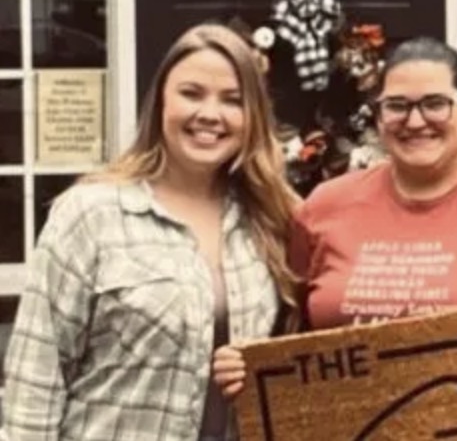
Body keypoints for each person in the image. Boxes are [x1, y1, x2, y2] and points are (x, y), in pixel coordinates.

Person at [213, 36, 457, 396]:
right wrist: (249, 366)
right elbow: (286, 336)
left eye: (435, 104)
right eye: (397, 106)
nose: (415, 122)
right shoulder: (325, 206)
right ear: (378, 117)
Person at [2, 24, 301, 440]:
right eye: (191, 93)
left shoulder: (269, 220)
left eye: (232, 100)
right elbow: (36, 374)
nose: (210, 114)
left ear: (252, 116)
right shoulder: (93, 214)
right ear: (160, 100)